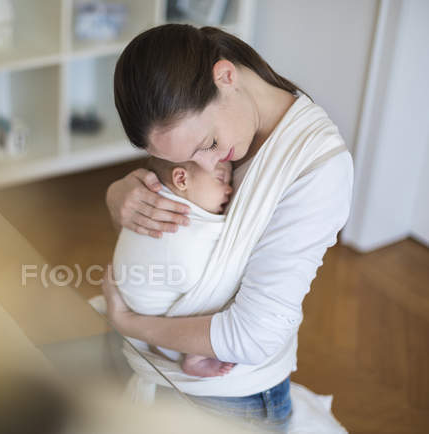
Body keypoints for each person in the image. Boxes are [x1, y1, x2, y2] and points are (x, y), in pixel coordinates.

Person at [102, 24, 353, 430]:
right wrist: (121, 194)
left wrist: (128, 322)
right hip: (156, 361)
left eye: (207, 145)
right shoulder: (221, 129)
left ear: (226, 77)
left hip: (232, 391)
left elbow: (254, 336)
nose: (209, 166)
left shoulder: (317, 170)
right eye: (186, 160)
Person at [113, 157, 236, 377]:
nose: (229, 189)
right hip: (164, 327)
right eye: (220, 178)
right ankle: (194, 355)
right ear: (181, 179)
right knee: (224, 288)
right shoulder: (183, 228)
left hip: (136, 299)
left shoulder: (149, 205)